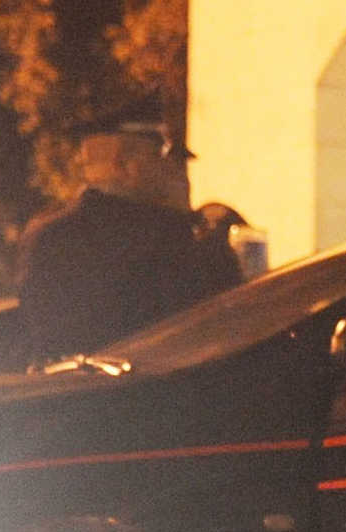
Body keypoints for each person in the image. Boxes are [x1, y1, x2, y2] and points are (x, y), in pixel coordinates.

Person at [17, 101, 241, 361]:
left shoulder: (45, 233)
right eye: (159, 155)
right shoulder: (165, 232)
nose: (166, 168)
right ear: (123, 164)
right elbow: (217, 320)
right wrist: (188, 222)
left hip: (69, 394)